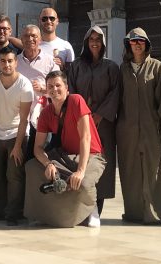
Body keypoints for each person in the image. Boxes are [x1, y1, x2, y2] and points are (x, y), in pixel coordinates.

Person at [24, 70, 106, 228]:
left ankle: (91, 209)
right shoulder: (46, 112)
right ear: (46, 90)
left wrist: (81, 170)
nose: (54, 89)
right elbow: (38, 148)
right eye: (50, 86)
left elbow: (85, 138)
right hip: (65, 155)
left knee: (83, 181)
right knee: (32, 167)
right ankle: (43, 212)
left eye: (58, 85)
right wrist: (48, 164)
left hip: (92, 154)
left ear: (67, 88)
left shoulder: (76, 100)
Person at [117, 27, 161, 225]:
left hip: (151, 130)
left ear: (147, 44)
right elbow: (117, 100)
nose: (137, 44)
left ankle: (159, 214)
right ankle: (134, 213)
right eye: (133, 41)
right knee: (130, 172)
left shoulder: (156, 67)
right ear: (128, 44)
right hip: (127, 131)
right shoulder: (123, 69)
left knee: (155, 171)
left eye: (141, 41)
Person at [67, 25, 120, 219]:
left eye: (98, 39)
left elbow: (115, 93)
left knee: (102, 164)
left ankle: (97, 208)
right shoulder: (76, 66)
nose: (95, 43)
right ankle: (80, 207)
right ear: (86, 42)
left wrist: (99, 115)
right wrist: (83, 116)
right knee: (81, 161)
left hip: (103, 125)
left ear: (103, 43)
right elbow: (71, 92)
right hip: (80, 123)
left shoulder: (111, 67)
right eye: (91, 39)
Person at [0, 45, 34, 225]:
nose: (6, 65)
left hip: (17, 134)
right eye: (3, 61)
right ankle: (0, 208)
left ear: (16, 62)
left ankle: (13, 213)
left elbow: (24, 119)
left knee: (14, 175)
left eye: (10, 61)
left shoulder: (25, 84)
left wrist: (18, 146)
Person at [15, 24, 56, 159]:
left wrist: (44, 89)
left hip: (43, 117)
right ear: (21, 39)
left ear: (40, 39)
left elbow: (60, 89)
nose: (30, 39)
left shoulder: (50, 61)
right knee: (23, 157)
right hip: (20, 119)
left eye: (34, 36)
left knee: (43, 156)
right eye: (26, 36)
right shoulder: (15, 62)